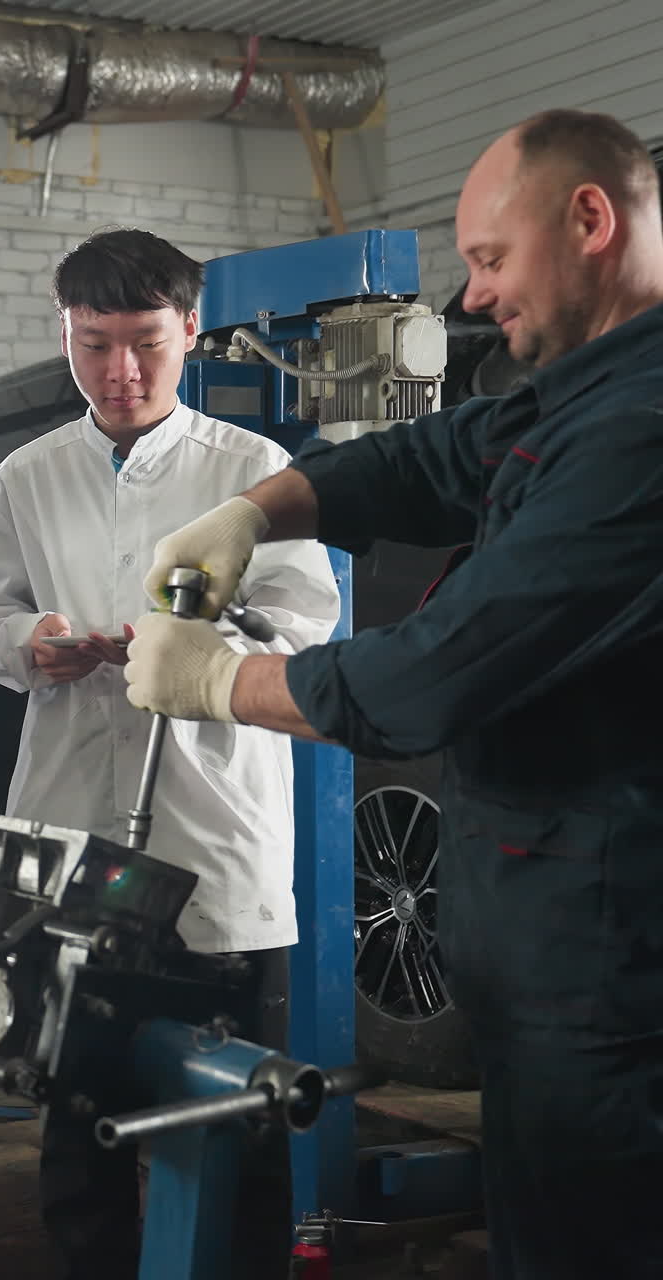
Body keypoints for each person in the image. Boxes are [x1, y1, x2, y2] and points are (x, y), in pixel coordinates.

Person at [124, 110, 663, 1280]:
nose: (471, 300)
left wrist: (218, 679)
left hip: (621, 989)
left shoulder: (643, 428)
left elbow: (434, 672)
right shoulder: (577, 383)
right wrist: (260, 508)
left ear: (589, 220)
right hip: (553, 970)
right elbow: (434, 456)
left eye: (489, 259)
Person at [0, 227, 339, 1280]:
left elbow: (305, 623)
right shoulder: (26, 478)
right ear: (64, 334)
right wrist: (35, 644)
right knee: (77, 1123)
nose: (119, 371)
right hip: (72, 836)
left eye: (145, 344)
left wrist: (197, 647)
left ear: (191, 331)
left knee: (234, 1108)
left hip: (213, 835)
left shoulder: (251, 470)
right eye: (93, 344)